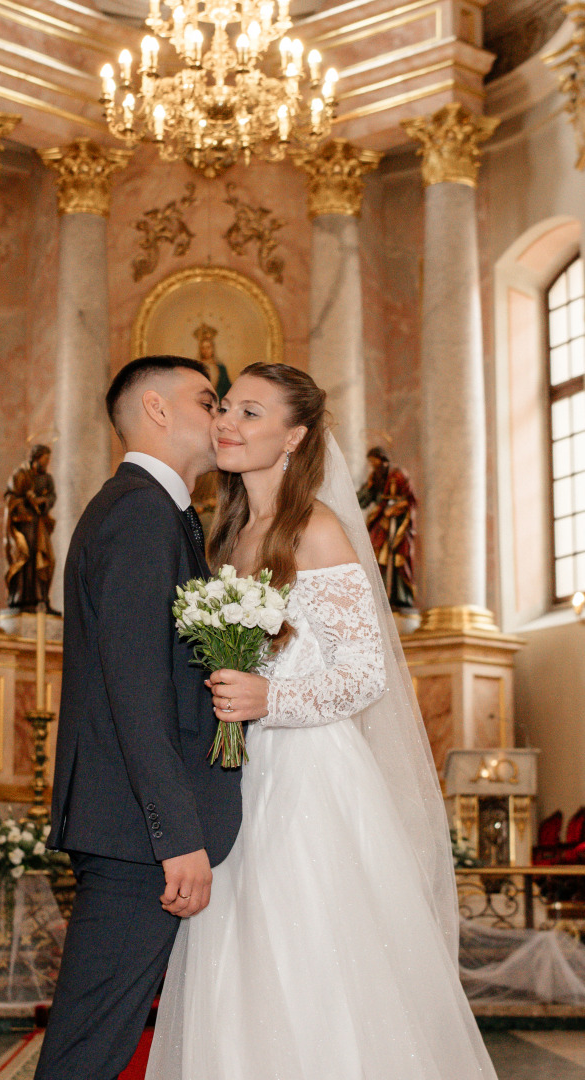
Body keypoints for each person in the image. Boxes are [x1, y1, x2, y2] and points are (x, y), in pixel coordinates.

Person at [146, 363, 497, 1080]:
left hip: (308, 783)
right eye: (226, 408)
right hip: (239, 779)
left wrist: (270, 702)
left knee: (311, 959)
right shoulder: (231, 531)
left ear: (295, 437)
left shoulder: (315, 527)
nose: (227, 423)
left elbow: (364, 674)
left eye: (251, 413)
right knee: (240, 959)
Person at [34, 356, 242, 1080]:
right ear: (156, 409)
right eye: (207, 399)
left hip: (135, 830)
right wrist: (174, 836)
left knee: (101, 1042)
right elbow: (133, 689)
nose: (220, 418)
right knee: (88, 1051)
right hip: (136, 838)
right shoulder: (137, 512)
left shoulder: (164, 514)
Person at [357, 445, 418, 610]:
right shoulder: (375, 477)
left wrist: (395, 508)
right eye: (371, 463)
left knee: (398, 556)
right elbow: (362, 501)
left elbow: (410, 500)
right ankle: (382, 595)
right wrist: (368, 488)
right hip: (381, 520)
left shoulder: (399, 475)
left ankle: (399, 596)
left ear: (383, 460)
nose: (374, 466)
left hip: (399, 523)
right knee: (377, 555)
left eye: (375, 462)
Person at [4, 444, 58, 612]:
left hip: (40, 524)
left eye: (49, 459)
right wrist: (26, 502)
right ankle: (22, 598)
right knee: (25, 558)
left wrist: (43, 502)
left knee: (46, 560)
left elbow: (52, 496)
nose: (47, 462)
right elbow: (10, 497)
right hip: (25, 524)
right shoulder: (21, 475)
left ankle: (42, 598)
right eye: (45, 458)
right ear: (36, 457)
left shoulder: (47, 478)